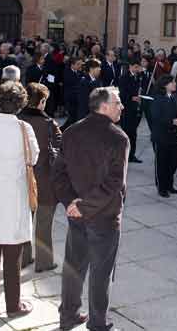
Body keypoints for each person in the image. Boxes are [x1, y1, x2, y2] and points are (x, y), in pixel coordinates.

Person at [53, 87, 127, 331]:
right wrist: (80, 206)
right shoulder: (118, 138)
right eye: (117, 102)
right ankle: (97, 323)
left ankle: (69, 316)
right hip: (104, 218)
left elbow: (58, 175)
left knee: (74, 267)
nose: (121, 107)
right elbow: (115, 184)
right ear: (104, 106)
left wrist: (72, 203)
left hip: (77, 215)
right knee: (101, 273)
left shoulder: (71, 131)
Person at [0, 81, 39, 317]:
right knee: (12, 253)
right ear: (21, 104)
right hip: (13, 193)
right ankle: (13, 305)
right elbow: (33, 157)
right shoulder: (23, 129)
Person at [18, 83, 62, 273]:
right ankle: (44, 262)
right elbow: (61, 150)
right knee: (44, 223)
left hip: (21, 179)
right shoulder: (49, 124)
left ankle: (23, 258)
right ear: (42, 101)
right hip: (44, 180)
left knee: (24, 221)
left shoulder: (17, 121)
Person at [150, 75, 177, 197]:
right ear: (165, 85)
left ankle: (169, 184)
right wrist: (171, 121)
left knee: (172, 162)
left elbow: (174, 113)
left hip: (172, 135)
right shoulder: (158, 98)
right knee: (161, 163)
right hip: (160, 136)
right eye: (172, 82)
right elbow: (156, 117)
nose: (175, 84)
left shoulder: (173, 97)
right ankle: (161, 187)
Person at [118, 59, 144, 164]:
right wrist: (132, 98)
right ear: (130, 67)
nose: (137, 69)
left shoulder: (139, 77)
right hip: (127, 108)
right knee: (126, 133)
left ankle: (132, 155)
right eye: (135, 67)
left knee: (134, 133)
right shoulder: (124, 78)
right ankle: (124, 155)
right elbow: (122, 93)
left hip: (135, 109)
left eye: (138, 67)